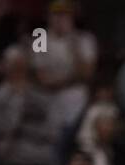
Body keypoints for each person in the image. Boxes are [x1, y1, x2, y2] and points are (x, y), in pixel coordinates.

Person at [27, 0, 96, 132]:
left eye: (65, 15)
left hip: (73, 94)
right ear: (48, 16)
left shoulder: (85, 39)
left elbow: (86, 74)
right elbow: (41, 76)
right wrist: (69, 79)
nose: (60, 19)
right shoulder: (39, 37)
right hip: (46, 95)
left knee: (76, 97)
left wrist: (73, 43)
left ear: (72, 17)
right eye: (56, 14)